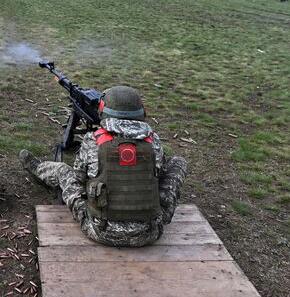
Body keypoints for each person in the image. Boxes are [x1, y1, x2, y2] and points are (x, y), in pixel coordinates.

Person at [20, 86, 187, 247]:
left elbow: (79, 178)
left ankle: (37, 168)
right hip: (150, 233)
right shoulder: (154, 142)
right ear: (142, 112)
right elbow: (162, 174)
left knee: (63, 171)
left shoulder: (93, 140)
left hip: (100, 230)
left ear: (103, 110)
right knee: (178, 163)